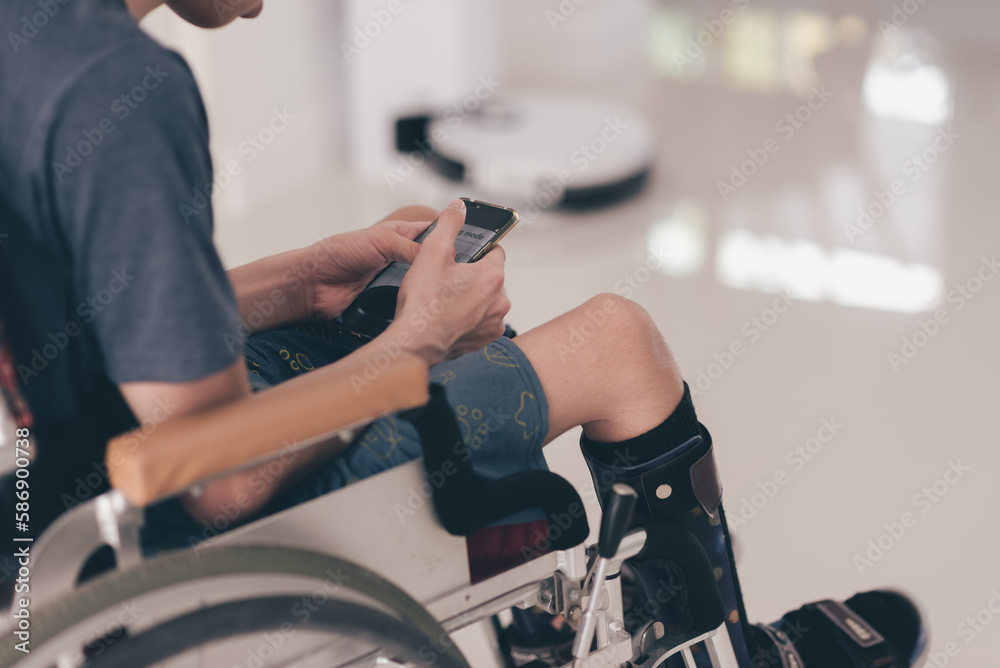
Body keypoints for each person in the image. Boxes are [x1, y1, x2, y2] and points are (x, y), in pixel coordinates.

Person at [0, 0, 926, 665]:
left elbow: (91, 319)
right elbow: (216, 478)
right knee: (615, 340)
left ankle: (535, 619)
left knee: (413, 274)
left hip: (58, 490)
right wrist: (416, 345)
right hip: (150, 529)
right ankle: (734, 655)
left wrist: (305, 278)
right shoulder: (123, 91)